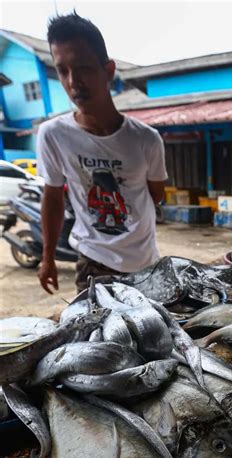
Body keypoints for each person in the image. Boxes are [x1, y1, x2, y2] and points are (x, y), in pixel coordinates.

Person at [36, 12, 167, 294]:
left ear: (107, 71)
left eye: (83, 68)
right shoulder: (53, 135)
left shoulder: (146, 139)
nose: (73, 81)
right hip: (92, 263)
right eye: (62, 70)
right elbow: (53, 197)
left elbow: (156, 194)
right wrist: (47, 258)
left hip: (144, 265)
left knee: (148, 336)